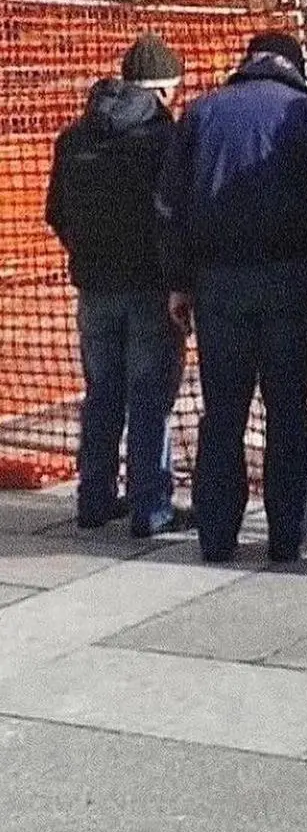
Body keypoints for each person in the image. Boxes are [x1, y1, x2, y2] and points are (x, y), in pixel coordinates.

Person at [156, 32, 307, 564]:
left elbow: (169, 208)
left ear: (247, 62)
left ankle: (217, 535)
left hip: (218, 285)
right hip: (291, 281)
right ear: (295, 66)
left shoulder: (202, 115)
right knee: (289, 409)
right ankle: (288, 533)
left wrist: (180, 281)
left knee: (223, 411)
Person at [46, 33, 193, 537]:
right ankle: (150, 507)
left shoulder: (75, 136)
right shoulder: (163, 137)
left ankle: (94, 499)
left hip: (93, 287)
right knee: (151, 398)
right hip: (151, 288)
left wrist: (89, 255)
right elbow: (174, 215)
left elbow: (57, 213)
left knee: (102, 395)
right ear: (163, 90)